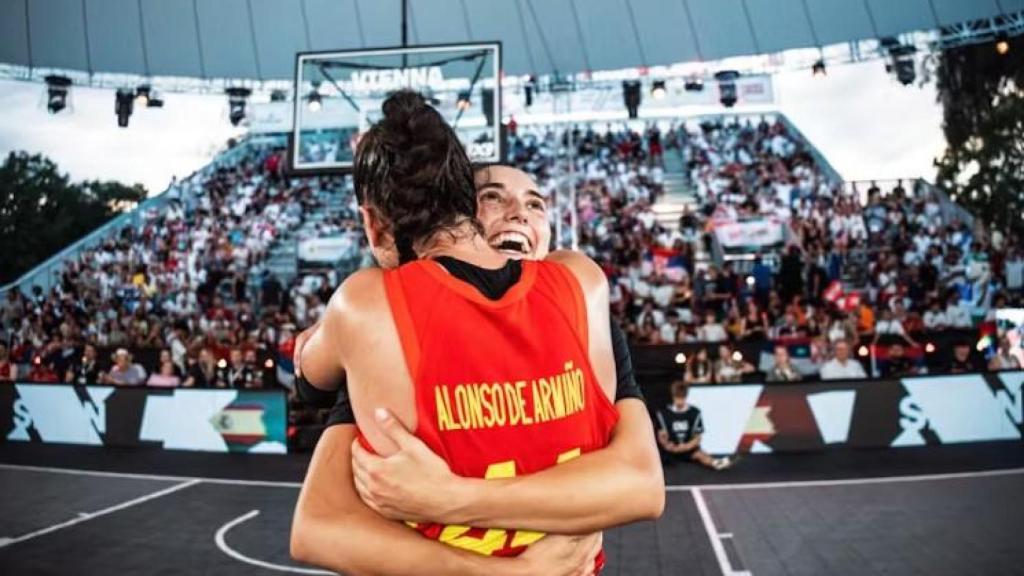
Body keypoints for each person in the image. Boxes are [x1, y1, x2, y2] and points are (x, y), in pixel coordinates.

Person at [291, 93, 663, 575]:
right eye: (494, 197)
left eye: (535, 204)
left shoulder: (369, 312)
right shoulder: (582, 285)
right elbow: (319, 525)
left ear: (372, 222)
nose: (519, 213)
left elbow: (641, 485)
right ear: (463, 207)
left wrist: (452, 497)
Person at [655, 382, 731, 470]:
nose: (679, 401)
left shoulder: (695, 413)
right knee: (656, 456)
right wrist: (667, 445)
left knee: (700, 454)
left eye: (682, 398)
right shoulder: (663, 413)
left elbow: (698, 438)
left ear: (686, 396)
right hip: (670, 450)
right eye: (677, 398)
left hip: (689, 449)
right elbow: (661, 435)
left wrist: (686, 446)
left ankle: (715, 463)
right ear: (673, 396)